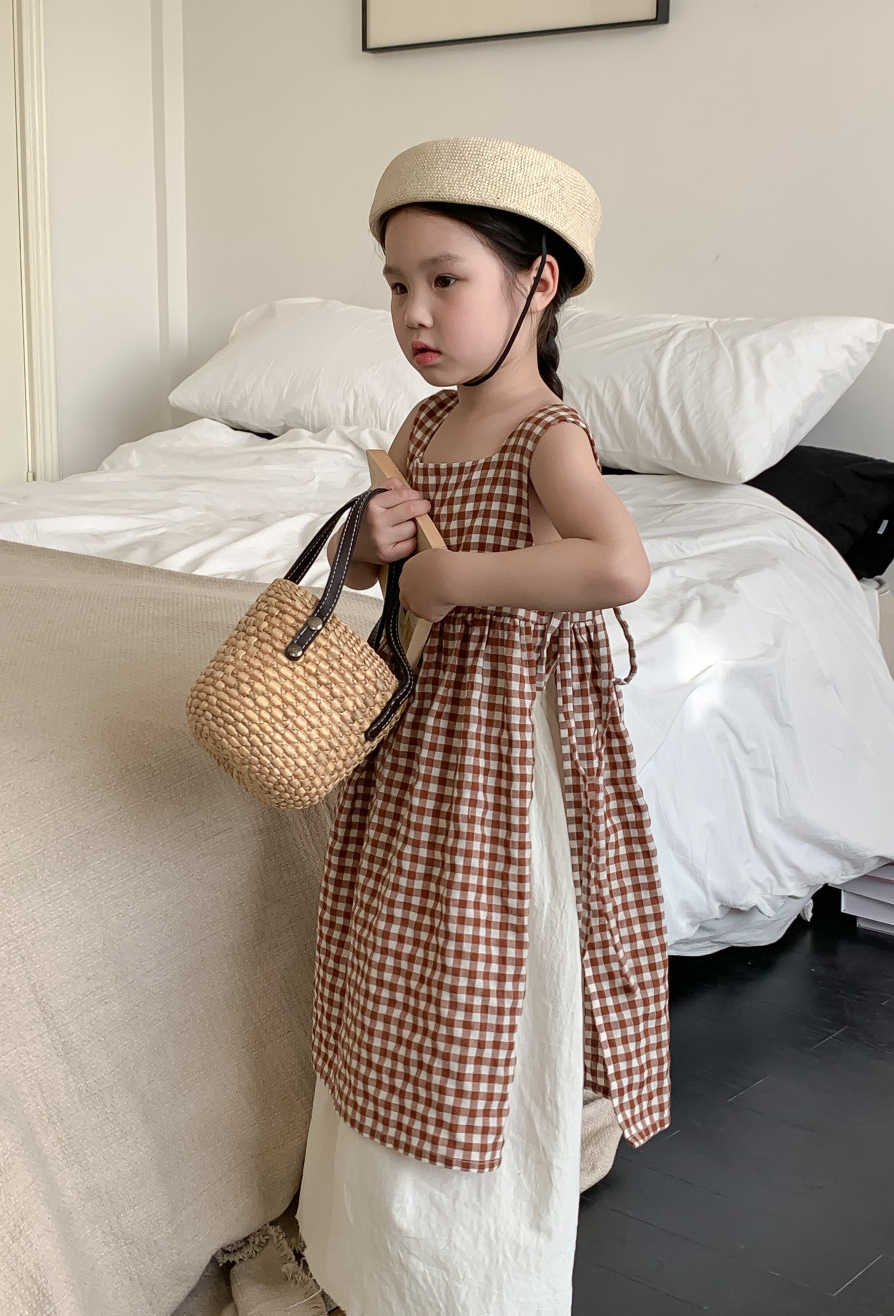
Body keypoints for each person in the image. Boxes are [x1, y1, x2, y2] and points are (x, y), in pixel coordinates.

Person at [296, 136, 670, 1315]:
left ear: (537, 283)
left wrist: (462, 579)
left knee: (479, 972)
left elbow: (616, 564)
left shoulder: (543, 433)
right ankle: (365, 1250)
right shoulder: (421, 425)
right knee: (391, 967)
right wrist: (372, 549)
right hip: (417, 735)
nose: (414, 311)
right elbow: (394, 561)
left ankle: (470, 1272)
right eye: (396, 284)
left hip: (503, 752)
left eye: (445, 280)